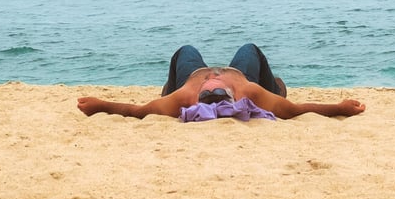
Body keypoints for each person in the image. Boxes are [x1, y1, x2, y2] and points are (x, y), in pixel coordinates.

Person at [76, 44, 366, 121]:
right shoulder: (247, 89)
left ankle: (168, 85)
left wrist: (100, 105)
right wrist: (339, 107)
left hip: (188, 74)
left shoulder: (186, 94)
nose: (212, 84)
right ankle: (275, 85)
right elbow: (295, 109)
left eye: (210, 91)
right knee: (250, 49)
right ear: (229, 94)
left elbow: (136, 112)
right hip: (242, 72)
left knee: (185, 51)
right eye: (216, 90)